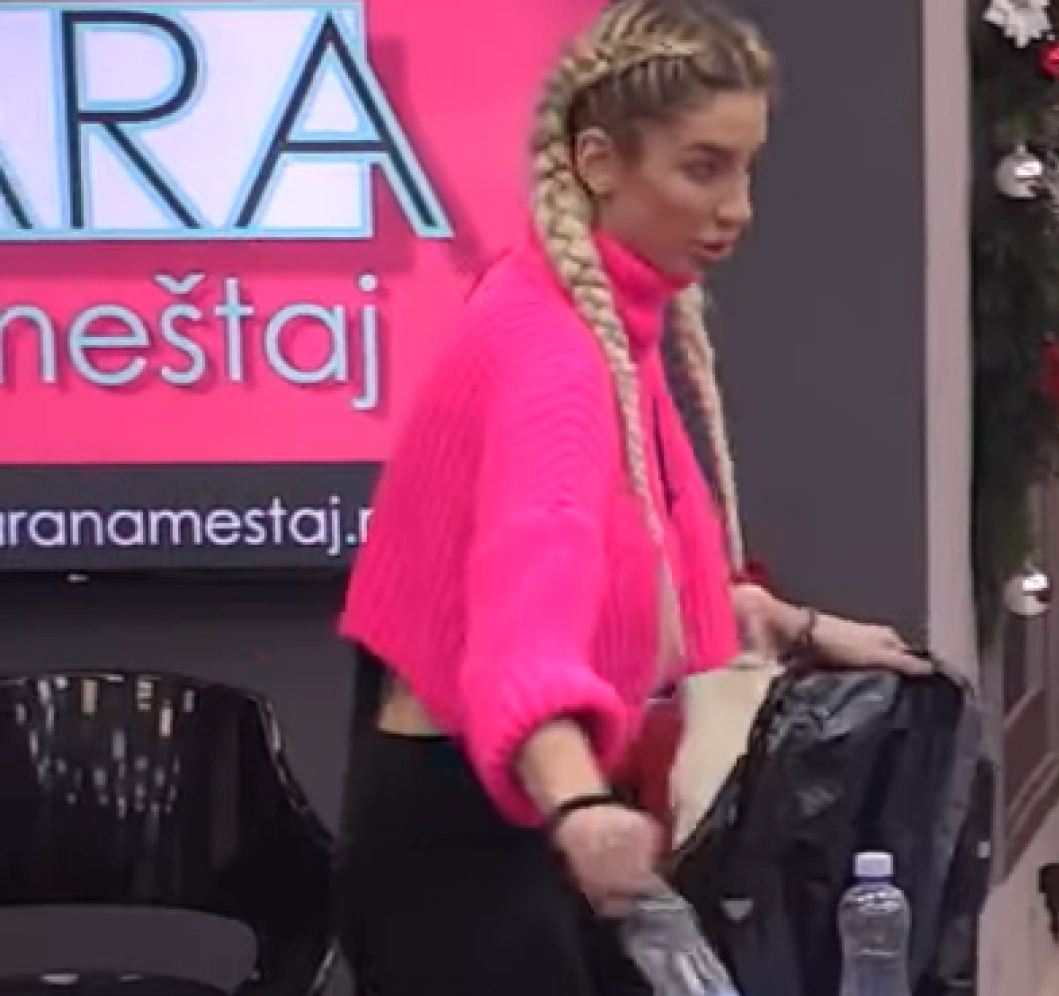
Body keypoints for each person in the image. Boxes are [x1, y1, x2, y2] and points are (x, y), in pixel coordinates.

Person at [333, 3, 927, 994]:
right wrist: (579, 807)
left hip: (494, 821)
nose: (737, 208)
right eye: (703, 169)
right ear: (600, 162)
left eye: (746, 169)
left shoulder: (586, 312)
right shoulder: (556, 361)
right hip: (475, 852)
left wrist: (785, 622)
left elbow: (607, 561)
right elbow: (519, 627)